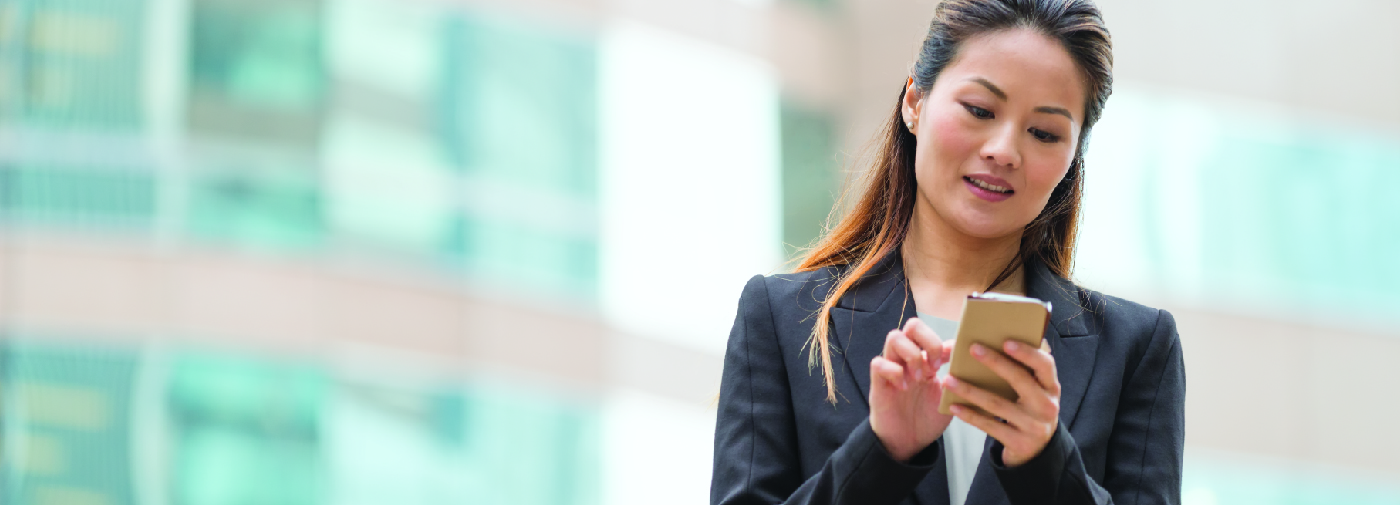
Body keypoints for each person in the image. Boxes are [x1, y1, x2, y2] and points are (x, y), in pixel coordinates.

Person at [710, 0, 1185, 504]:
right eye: (980, 110)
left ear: (1073, 158)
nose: (1004, 150)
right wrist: (881, 453)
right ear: (914, 101)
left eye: (1044, 133)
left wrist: (1045, 462)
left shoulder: (1136, 348)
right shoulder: (784, 318)